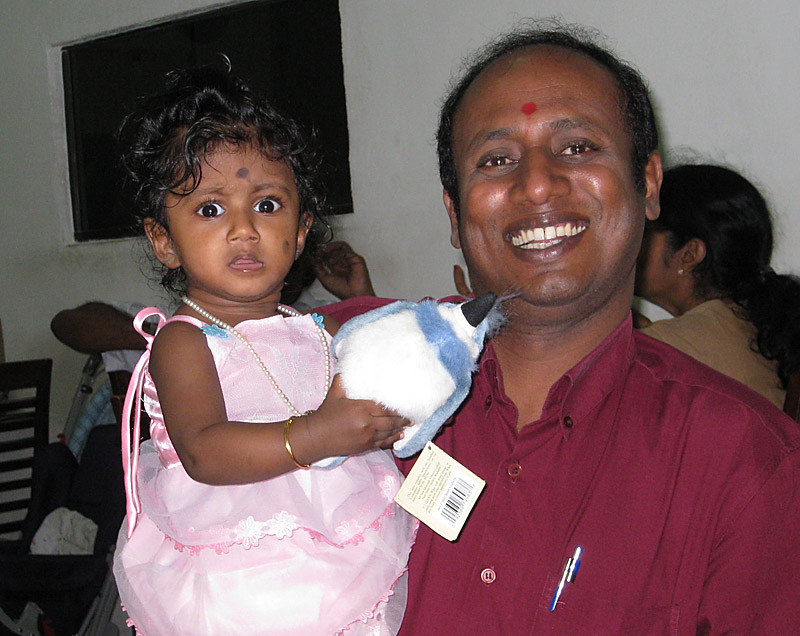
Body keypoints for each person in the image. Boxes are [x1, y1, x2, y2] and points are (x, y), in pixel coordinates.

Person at [323, 23, 800, 635]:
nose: (538, 184)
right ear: (454, 212)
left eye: (577, 147)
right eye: (496, 159)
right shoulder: (336, 366)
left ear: (648, 184)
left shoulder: (748, 464)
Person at [111, 67, 416, 636]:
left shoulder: (314, 328)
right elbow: (203, 451)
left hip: (340, 543)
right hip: (240, 573)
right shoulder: (184, 339)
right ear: (163, 241)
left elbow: (348, 407)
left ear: (301, 233)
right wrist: (318, 435)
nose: (244, 229)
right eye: (210, 209)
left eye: (268, 205)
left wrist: (380, 423)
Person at [635, 163, 800, 408]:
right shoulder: (750, 325)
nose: (628, 241)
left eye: (644, 229)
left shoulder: (667, 348)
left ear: (689, 254)